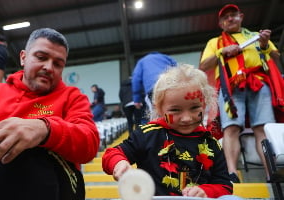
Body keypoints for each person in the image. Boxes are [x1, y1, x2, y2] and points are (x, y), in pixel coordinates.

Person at [0, 28, 99, 200]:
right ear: (23, 57)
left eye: (58, 64)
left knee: (23, 153)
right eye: (41, 58)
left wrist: (44, 129)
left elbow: (90, 143)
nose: (49, 67)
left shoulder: (72, 96)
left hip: (55, 181)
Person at [102, 64, 234, 198]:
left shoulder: (211, 143)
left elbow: (225, 186)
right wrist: (119, 164)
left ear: (205, 105)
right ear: (159, 109)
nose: (186, 118)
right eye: (175, 110)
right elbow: (112, 154)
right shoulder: (148, 134)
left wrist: (206, 191)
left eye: (194, 108)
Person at [199, 4, 284, 183]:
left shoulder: (256, 36)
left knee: (263, 128)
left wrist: (265, 43)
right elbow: (204, 66)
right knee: (231, 128)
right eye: (225, 17)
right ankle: (232, 174)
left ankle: (271, 173)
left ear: (241, 17)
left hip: (259, 84)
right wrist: (222, 52)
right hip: (230, 88)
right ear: (221, 23)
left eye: (233, 15)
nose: (230, 19)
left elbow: (276, 59)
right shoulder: (215, 42)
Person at [131, 52, 177, 121]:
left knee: (156, 112)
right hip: (170, 86)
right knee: (172, 109)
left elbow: (136, 79)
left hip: (153, 89)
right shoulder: (166, 57)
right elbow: (177, 70)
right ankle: (172, 125)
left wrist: (137, 99)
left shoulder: (142, 61)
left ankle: (160, 129)